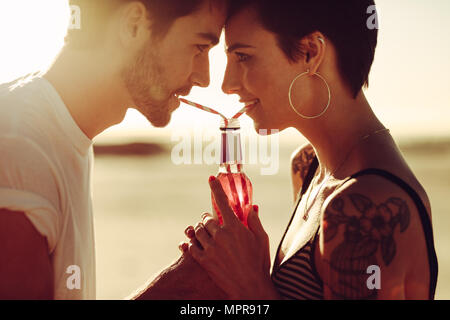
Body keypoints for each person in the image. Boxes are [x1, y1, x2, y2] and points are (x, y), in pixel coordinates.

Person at [180, 0, 439, 299]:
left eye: (243, 56)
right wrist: (249, 267)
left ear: (311, 53)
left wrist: (250, 285)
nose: (227, 84)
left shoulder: (362, 206)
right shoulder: (307, 167)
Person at [0, 0, 228, 299]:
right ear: (134, 25)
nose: (204, 78)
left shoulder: (56, 134)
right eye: (199, 47)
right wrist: (173, 289)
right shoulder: (21, 145)